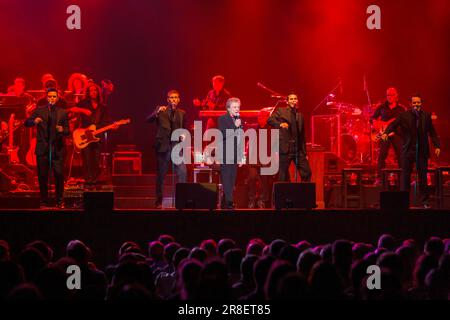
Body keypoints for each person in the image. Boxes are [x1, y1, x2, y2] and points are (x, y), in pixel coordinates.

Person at [382, 94, 440, 208]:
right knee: (405, 176)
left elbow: (432, 132)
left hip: (422, 151)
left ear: (421, 104)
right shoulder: (404, 116)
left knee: (423, 176)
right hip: (408, 150)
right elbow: (393, 124)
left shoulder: (426, 116)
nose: (416, 105)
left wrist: (437, 145)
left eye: (418, 103)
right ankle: (404, 201)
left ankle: (425, 202)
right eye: (414, 103)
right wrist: (385, 133)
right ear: (411, 104)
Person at [24, 88, 69, 208]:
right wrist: (34, 121)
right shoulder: (39, 110)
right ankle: (43, 201)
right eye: (50, 96)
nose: (52, 98)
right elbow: (26, 122)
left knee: (59, 175)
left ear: (57, 98)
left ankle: (60, 201)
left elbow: (68, 131)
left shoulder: (63, 112)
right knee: (42, 176)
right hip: (43, 149)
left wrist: (62, 130)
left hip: (57, 149)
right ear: (46, 98)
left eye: (54, 96)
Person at [147, 90, 187, 209]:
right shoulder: (161, 110)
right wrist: (156, 112)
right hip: (163, 146)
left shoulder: (182, 113)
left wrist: (183, 134)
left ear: (179, 99)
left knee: (183, 172)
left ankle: (182, 200)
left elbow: (183, 128)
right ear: (167, 99)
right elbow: (148, 120)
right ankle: (159, 201)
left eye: (176, 97)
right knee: (161, 175)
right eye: (171, 97)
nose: (173, 99)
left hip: (176, 146)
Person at [72, 83, 116, 185]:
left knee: (96, 159)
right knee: (86, 158)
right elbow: (71, 109)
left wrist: (113, 126)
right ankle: (88, 179)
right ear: (88, 92)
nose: (93, 92)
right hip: (84, 135)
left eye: (95, 90)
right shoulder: (83, 103)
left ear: (98, 92)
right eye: (91, 90)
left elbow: (106, 122)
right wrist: (82, 110)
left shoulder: (103, 107)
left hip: (97, 136)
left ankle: (95, 180)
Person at [267, 93, 311, 182]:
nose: (293, 100)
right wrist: (279, 124)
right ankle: (282, 195)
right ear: (287, 101)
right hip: (285, 149)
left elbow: (302, 136)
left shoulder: (300, 115)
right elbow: (270, 120)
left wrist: (305, 153)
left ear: (297, 101)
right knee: (283, 175)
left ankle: (303, 194)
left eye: (295, 98)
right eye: (291, 99)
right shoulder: (281, 111)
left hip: (297, 150)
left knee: (307, 172)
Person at [371, 87, 406, 183]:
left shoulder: (401, 109)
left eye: (392, 95)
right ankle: (379, 178)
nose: (389, 97)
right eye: (388, 95)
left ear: (396, 96)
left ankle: (403, 178)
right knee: (382, 154)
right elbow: (373, 119)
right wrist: (379, 127)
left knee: (401, 155)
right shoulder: (381, 107)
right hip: (384, 134)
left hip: (396, 134)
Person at [218, 97, 244, 209]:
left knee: (232, 179)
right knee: (227, 179)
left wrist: (241, 155)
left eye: (238, 107)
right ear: (228, 108)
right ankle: (229, 203)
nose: (237, 109)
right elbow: (223, 135)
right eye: (234, 107)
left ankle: (226, 202)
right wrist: (235, 126)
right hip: (226, 153)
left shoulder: (238, 120)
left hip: (235, 153)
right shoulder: (222, 119)